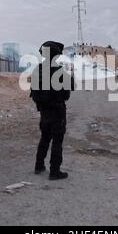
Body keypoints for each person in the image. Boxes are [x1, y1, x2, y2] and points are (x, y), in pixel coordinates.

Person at [30, 41, 74, 180]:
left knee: (45, 138)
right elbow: (68, 91)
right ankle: (54, 171)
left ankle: (39, 165)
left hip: (44, 111)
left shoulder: (38, 69)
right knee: (57, 140)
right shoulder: (59, 71)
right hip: (57, 111)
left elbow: (33, 91)